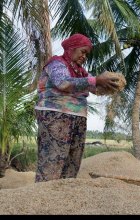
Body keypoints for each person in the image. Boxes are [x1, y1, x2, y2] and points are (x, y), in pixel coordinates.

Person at [34, 33, 119, 182]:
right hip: (55, 116)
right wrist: (96, 80)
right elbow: (63, 83)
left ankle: (63, 198)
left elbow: (95, 88)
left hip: (78, 117)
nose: (84, 56)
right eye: (83, 51)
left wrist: (111, 84)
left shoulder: (81, 72)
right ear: (72, 48)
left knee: (72, 162)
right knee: (53, 161)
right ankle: (42, 199)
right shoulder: (56, 63)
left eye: (87, 54)